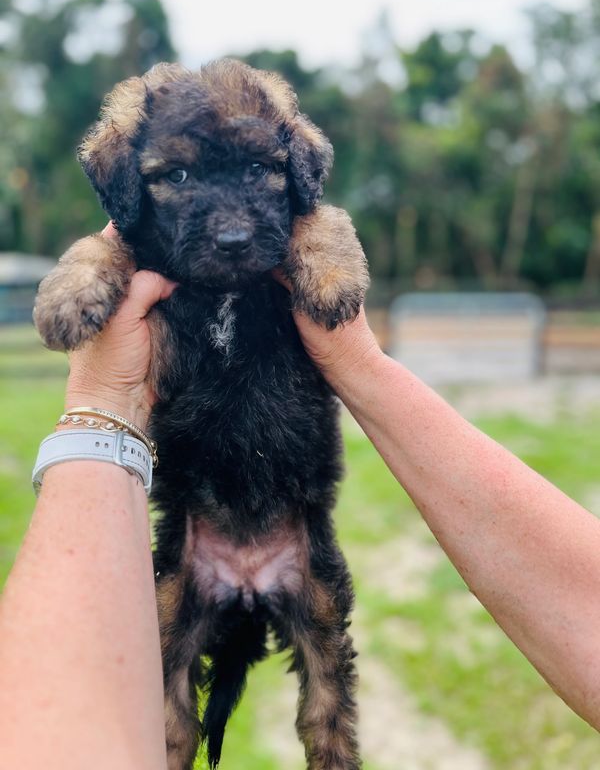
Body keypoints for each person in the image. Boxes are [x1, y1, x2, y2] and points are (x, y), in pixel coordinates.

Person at [1, 225, 600, 769]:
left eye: (263, 170)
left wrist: (338, 305)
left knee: (328, 714)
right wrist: (96, 293)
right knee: (166, 707)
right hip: (195, 526)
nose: (231, 218)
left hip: (292, 527)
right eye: (180, 174)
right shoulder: (147, 243)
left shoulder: (295, 230)